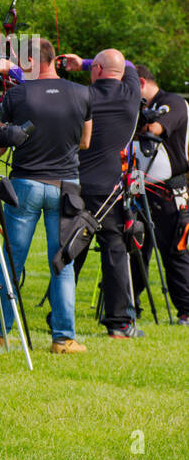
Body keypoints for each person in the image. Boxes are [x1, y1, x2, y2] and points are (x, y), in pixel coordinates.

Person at [0, 38, 92, 353]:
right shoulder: (82, 93)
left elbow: (3, 141)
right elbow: (85, 141)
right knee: (63, 262)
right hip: (66, 185)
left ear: (32, 62)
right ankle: (63, 338)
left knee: (11, 260)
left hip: (25, 185)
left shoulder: (16, 94)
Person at [63, 49, 142, 337]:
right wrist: (84, 63)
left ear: (97, 70)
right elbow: (128, 64)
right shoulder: (132, 93)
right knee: (115, 251)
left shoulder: (81, 95)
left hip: (78, 183)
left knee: (71, 250)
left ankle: (60, 316)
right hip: (111, 188)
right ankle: (119, 323)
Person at [132, 63, 189, 323]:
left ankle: (186, 310)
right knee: (134, 248)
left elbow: (154, 130)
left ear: (141, 83)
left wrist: (134, 120)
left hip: (170, 190)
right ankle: (129, 305)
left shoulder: (172, 102)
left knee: (175, 252)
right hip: (139, 187)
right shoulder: (141, 106)